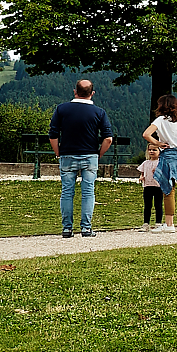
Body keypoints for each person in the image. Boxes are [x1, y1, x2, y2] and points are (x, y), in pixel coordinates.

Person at [48, 79, 114, 236]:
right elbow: (108, 138)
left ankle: (67, 228)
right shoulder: (99, 112)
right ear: (92, 93)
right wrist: (99, 154)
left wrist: (58, 152)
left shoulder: (62, 109)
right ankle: (86, 227)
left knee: (67, 191)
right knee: (88, 191)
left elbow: (53, 135)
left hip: (67, 154)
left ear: (74, 91)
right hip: (90, 155)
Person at [142, 94, 177, 231]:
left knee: (168, 190)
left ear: (162, 106)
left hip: (169, 155)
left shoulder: (160, 120)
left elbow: (146, 134)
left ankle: (169, 224)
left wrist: (158, 143)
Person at [137, 137, 164, 231]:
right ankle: (146, 223)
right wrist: (142, 177)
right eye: (150, 150)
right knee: (147, 205)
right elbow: (142, 172)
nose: (152, 152)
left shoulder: (160, 163)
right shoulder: (146, 163)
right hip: (147, 186)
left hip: (158, 186)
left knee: (158, 205)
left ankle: (158, 222)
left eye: (154, 150)